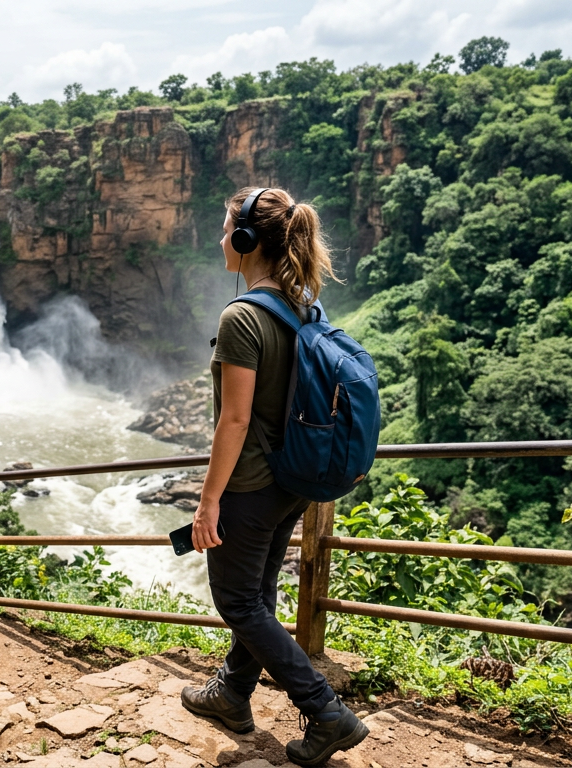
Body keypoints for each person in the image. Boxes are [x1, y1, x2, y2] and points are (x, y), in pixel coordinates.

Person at [180, 187, 368, 766]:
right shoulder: (304, 304)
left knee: (237, 602)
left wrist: (207, 502)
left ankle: (326, 711)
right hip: (292, 482)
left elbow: (233, 420)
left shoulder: (242, 316)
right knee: (258, 595)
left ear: (244, 240)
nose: (219, 241)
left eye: (224, 230)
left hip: (252, 485)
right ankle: (233, 696)